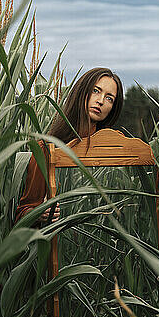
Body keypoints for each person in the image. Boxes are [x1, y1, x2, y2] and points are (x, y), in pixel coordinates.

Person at [15, 67, 124, 225]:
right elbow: (22, 213)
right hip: (57, 244)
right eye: (95, 91)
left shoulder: (116, 148)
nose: (100, 100)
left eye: (109, 98)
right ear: (81, 93)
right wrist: (40, 213)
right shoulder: (47, 149)